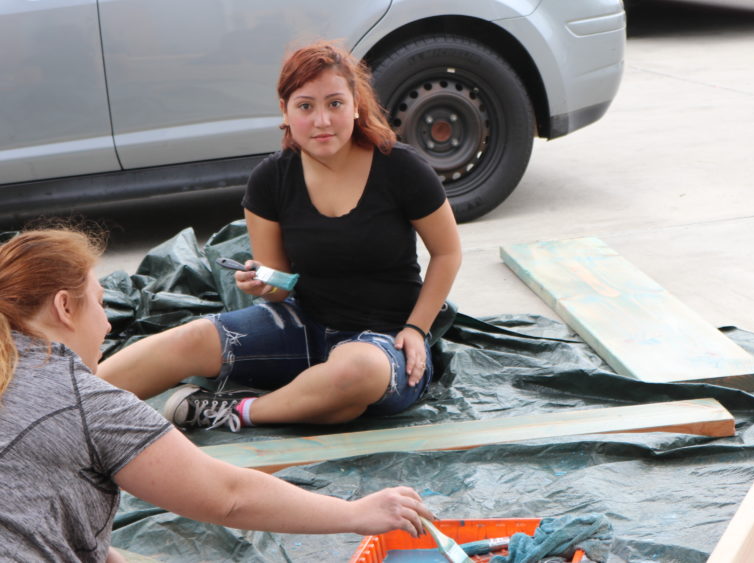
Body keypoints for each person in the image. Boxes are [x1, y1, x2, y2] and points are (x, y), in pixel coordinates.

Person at [0, 228, 434, 563]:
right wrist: (356, 513)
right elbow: (228, 496)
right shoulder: (87, 403)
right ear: (63, 307)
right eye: (100, 304)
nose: (110, 325)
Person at [98, 41, 462, 432]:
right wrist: (260, 282)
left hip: (383, 341)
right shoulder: (270, 180)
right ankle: (64, 403)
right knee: (189, 338)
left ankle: (235, 412)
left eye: (335, 103)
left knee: (353, 375)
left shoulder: (402, 168)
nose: (322, 120)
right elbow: (280, 289)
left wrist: (416, 329)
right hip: (302, 327)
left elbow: (447, 253)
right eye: (305, 106)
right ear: (285, 112)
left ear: (356, 105)